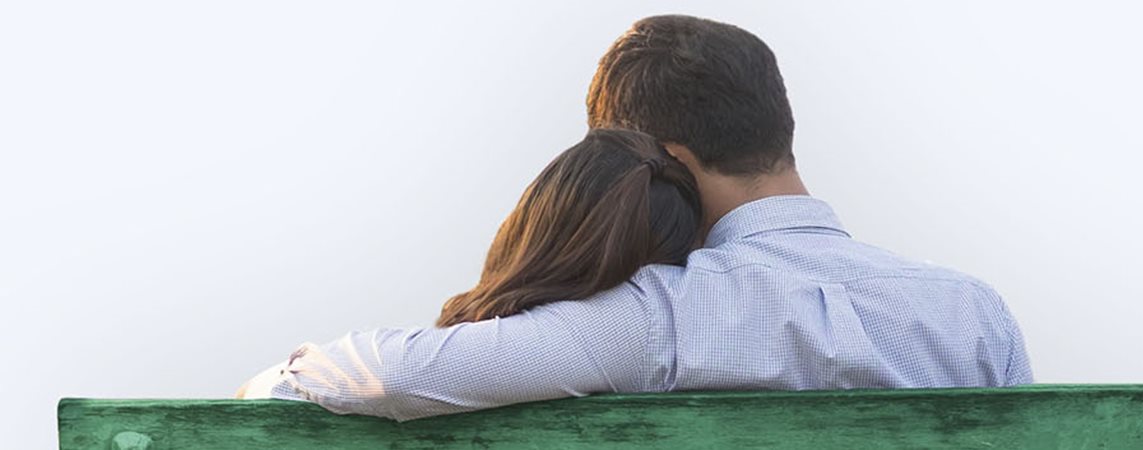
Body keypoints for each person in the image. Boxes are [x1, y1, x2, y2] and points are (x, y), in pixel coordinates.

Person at [239, 14, 1032, 421]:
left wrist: (284, 375)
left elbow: (407, 374)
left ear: (666, 159)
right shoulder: (974, 312)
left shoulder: (659, 319)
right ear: (777, 125)